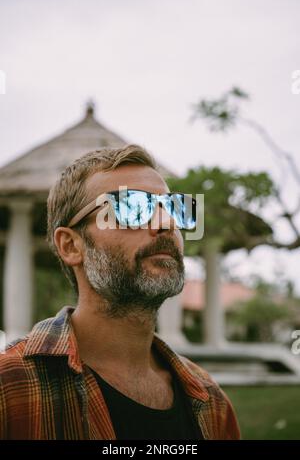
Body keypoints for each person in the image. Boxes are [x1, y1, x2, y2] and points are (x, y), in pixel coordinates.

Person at [0, 144, 240, 440]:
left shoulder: (212, 403)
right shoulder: (9, 390)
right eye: (132, 207)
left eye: (174, 208)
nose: (165, 223)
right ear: (71, 246)